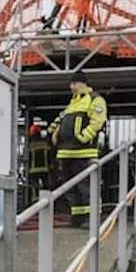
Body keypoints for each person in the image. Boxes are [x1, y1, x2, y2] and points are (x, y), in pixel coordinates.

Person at [49, 71, 108, 228]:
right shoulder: (72, 103)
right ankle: (77, 217)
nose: (71, 87)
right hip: (65, 152)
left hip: (84, 152)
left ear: (83, 83)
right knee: (70, 187)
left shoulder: (95, 99)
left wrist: (83, 137)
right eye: (71, 84)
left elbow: (97, 121)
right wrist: (53, 131)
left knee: (86, 186)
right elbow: (60, 119)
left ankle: (92, 218)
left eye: (74, 84)